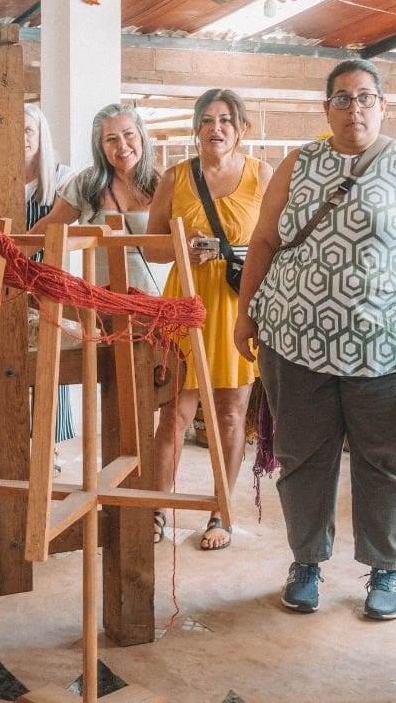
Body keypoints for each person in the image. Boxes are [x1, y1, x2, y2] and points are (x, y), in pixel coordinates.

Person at [234, 58, 396, 619]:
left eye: (365, 98)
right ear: (326, 107)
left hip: (387, 347)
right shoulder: (299, 162)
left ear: (382, 105)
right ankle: (306, 562)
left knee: (386, 461)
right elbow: (263, 240)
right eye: (342, 98)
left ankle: (387, 569)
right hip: (294, 341)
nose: (354, 108)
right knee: (302, 456)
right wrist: (246, 313)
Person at [145, 88, 271, 550]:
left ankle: (222, 512)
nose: (215, 128)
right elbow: (151, 248)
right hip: (186, 304)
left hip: (237, 304)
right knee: (174, 414)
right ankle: (157, 508)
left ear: (240, 129)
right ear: (195, 128)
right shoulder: (175, 178)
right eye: (206, 120)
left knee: (231, 413)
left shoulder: (262, 175)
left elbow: (276, 243)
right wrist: (183, 248)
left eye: (225, 120)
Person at [30, 104, 160, 294]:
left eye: (128, 134)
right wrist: (4, 259)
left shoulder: (164, 182)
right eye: (111, 139)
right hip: (101, 307)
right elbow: (47, 227)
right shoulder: (86, 184)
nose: (122, 145)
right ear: (100, 147)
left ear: (141, 135)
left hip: (159, 303)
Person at [23, 104, 77, 446]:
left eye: (28, 130)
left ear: (41, 135)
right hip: (6, 283)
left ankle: (47, 447)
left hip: (47, 284)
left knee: (49, 364)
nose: (21, 138)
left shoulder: (62, 178)